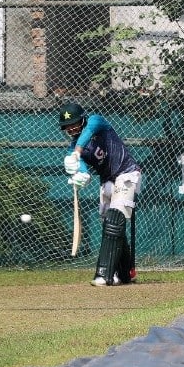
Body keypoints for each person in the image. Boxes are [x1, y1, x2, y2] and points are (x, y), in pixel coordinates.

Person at [59, 102, 141, 286]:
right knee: (111, 226)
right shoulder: (72, 149)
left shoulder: (96, 121)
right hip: (108, 180)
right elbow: (82, 169)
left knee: (115, 218)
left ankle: (104, 275)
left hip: (127, 172)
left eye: (75, 123)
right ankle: (126, 272)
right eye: (68, 126)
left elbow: (88, 133)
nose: (71, 128)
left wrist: (78, 152)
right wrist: (81, 176)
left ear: (82, 119)